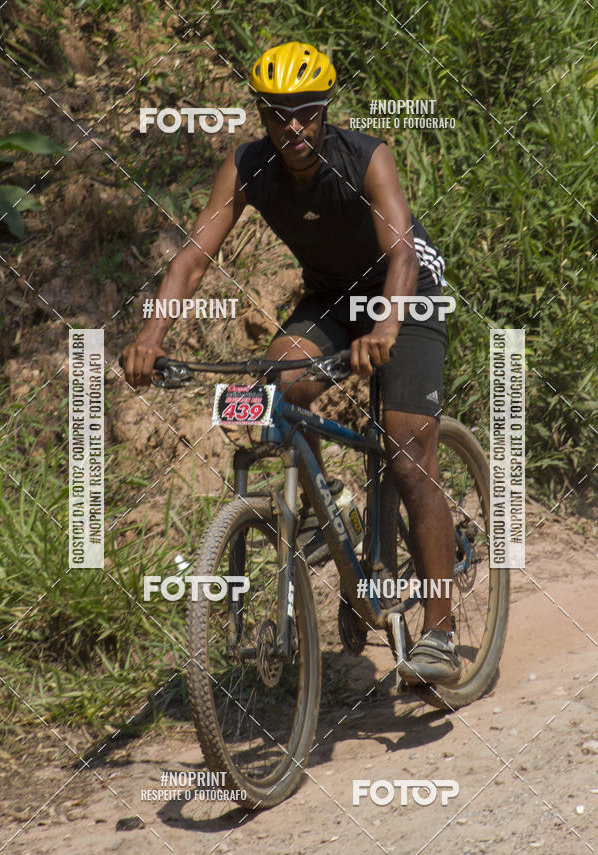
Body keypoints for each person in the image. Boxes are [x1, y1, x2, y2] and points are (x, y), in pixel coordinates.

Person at [121, 41, 461, 686]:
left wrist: (387, 325)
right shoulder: (248, 166)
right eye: (278, 114)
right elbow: (194, 257)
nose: (294, 127)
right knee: (280, 381)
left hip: (405, 290)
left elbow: (401, 253)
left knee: (408, 452)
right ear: (261, 116)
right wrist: (151, 336)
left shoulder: (365, 157)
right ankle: (323, 505)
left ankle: (439, 634)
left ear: (325, 109)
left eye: (306, 111)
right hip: (331, 295)